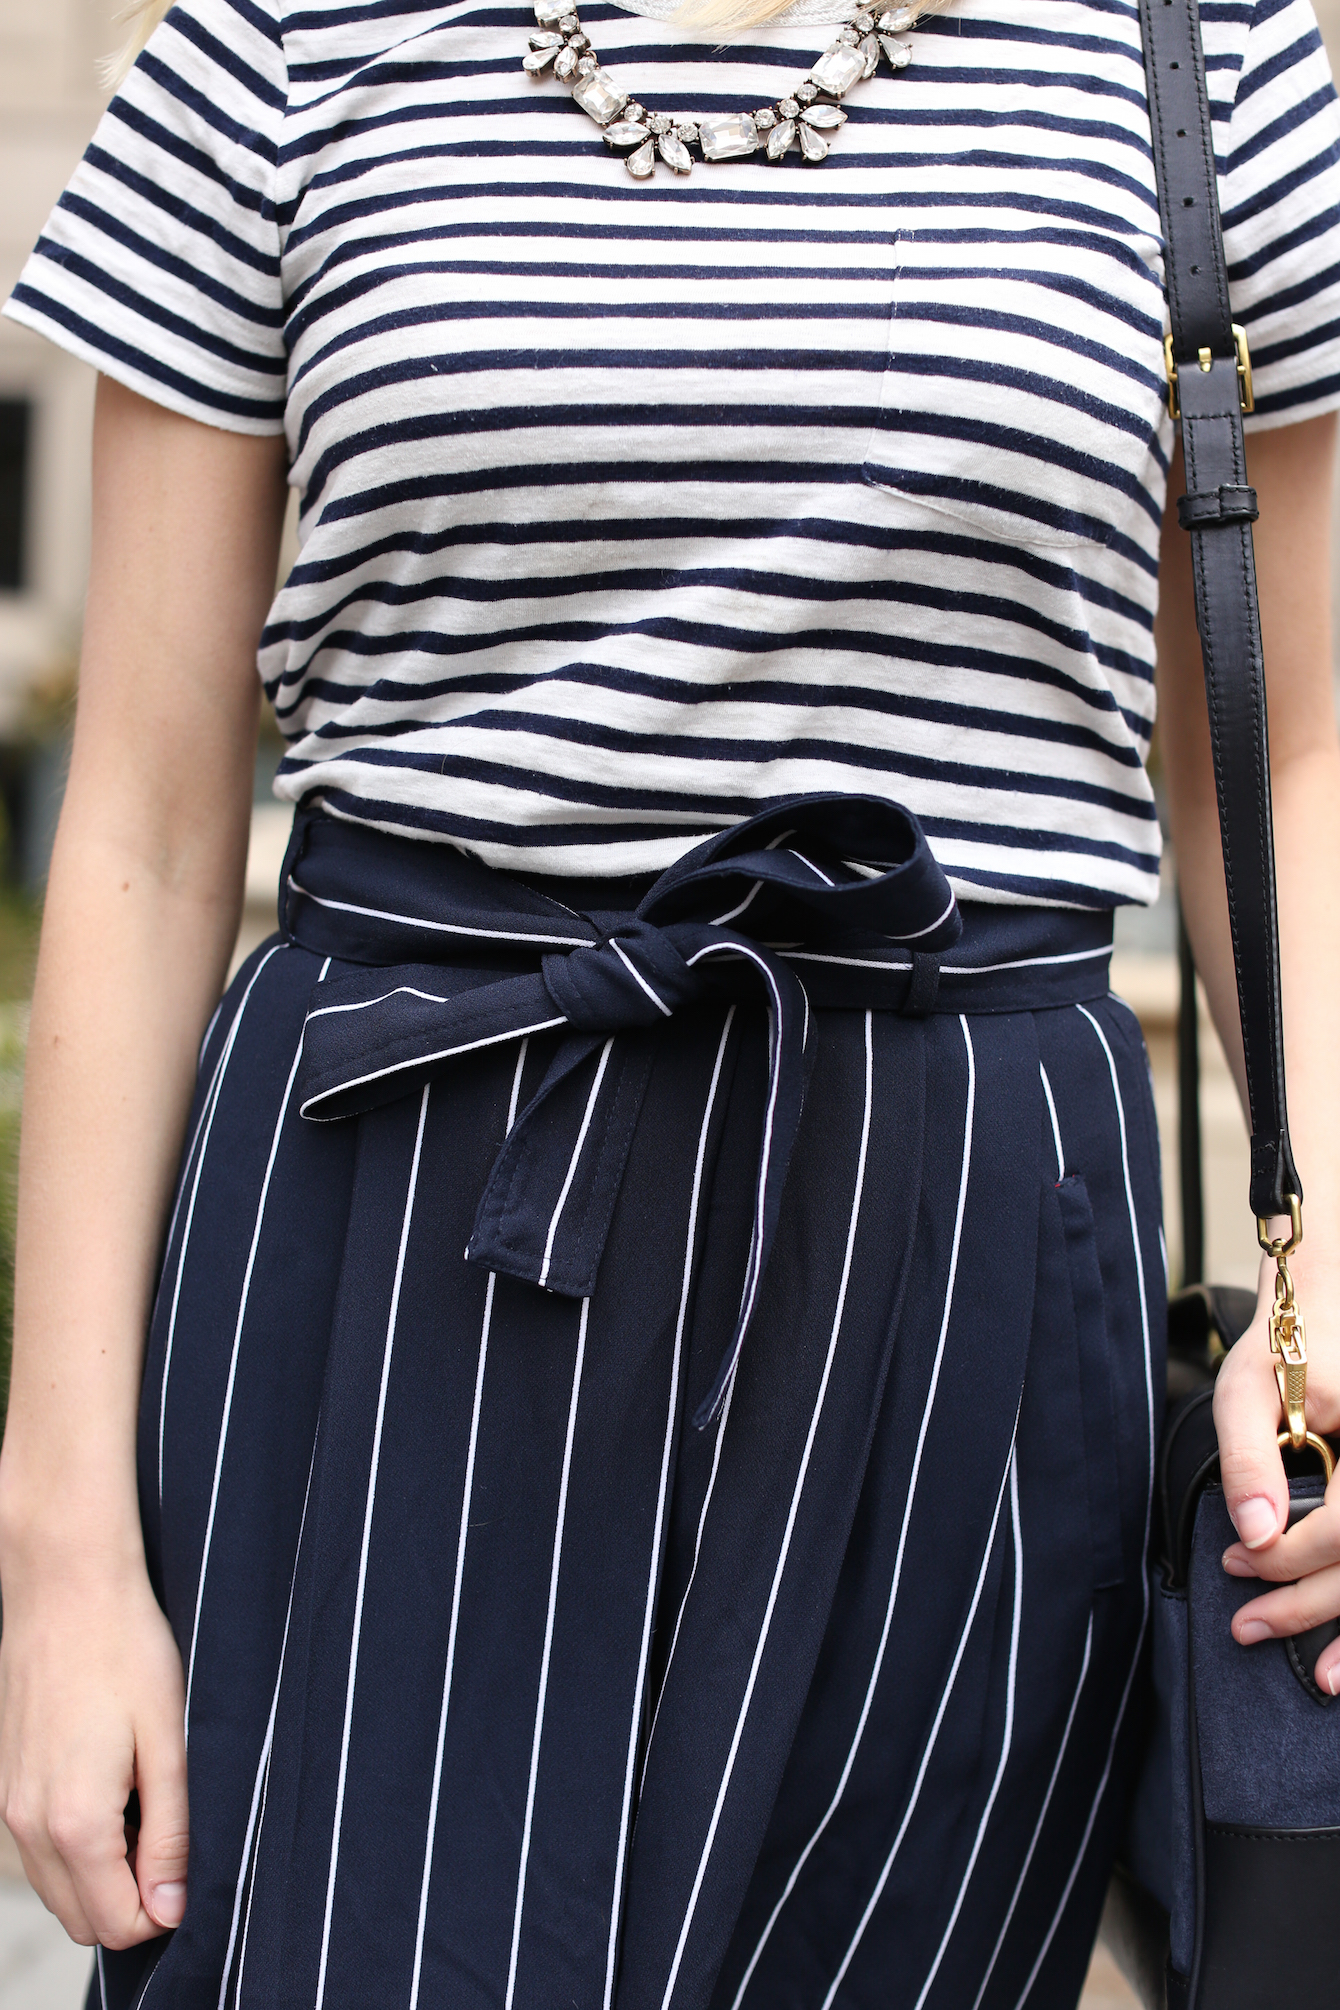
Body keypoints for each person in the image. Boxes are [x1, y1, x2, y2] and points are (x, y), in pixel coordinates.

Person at [1, 0, 1339, 2000]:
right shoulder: (275, 47)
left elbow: (1295, 758)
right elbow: (144, 830)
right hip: (394, 1221)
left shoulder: (1201, 61)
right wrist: (60, 1550)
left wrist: (1331, 1285)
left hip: (957, 1250)